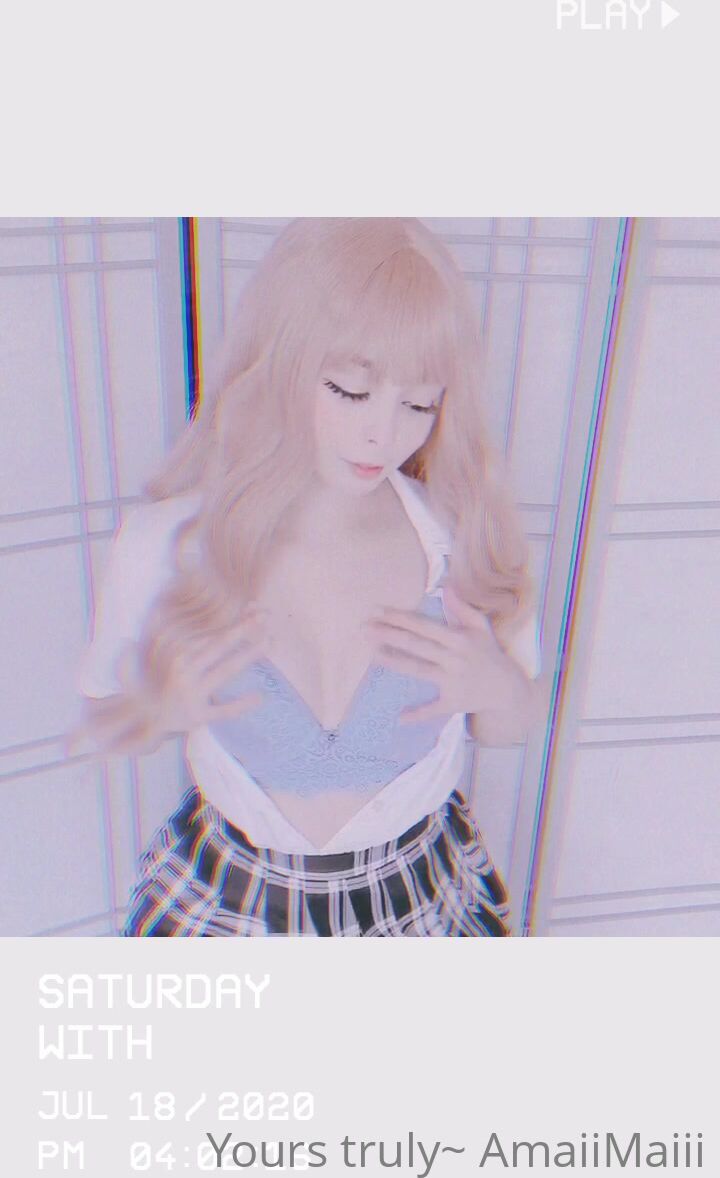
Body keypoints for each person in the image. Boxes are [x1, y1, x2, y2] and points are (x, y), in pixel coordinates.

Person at [68, 217, 545, 937]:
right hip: (225, 902)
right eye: (351, 391)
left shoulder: (461, 541)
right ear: (280, 360)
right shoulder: (169, 545)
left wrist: (497, 686)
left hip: (420, 899)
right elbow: (99, 721)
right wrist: (158, 709)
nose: (384, 433)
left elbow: (511, 727)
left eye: (419, 403)